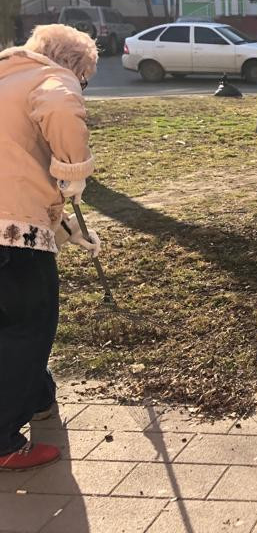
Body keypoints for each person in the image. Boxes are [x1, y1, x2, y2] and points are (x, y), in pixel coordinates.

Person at [0, 24, 101, 471]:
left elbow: (16, 162)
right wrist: (74, 170)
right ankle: (3, 440)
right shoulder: (53, 80)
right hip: (13, 236)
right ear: (76, 67)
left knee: (11, 324)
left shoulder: (8, 77)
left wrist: (66, 232)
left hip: (14, 225)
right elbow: (61, 106)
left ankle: (38, 394)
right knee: (27, 328)